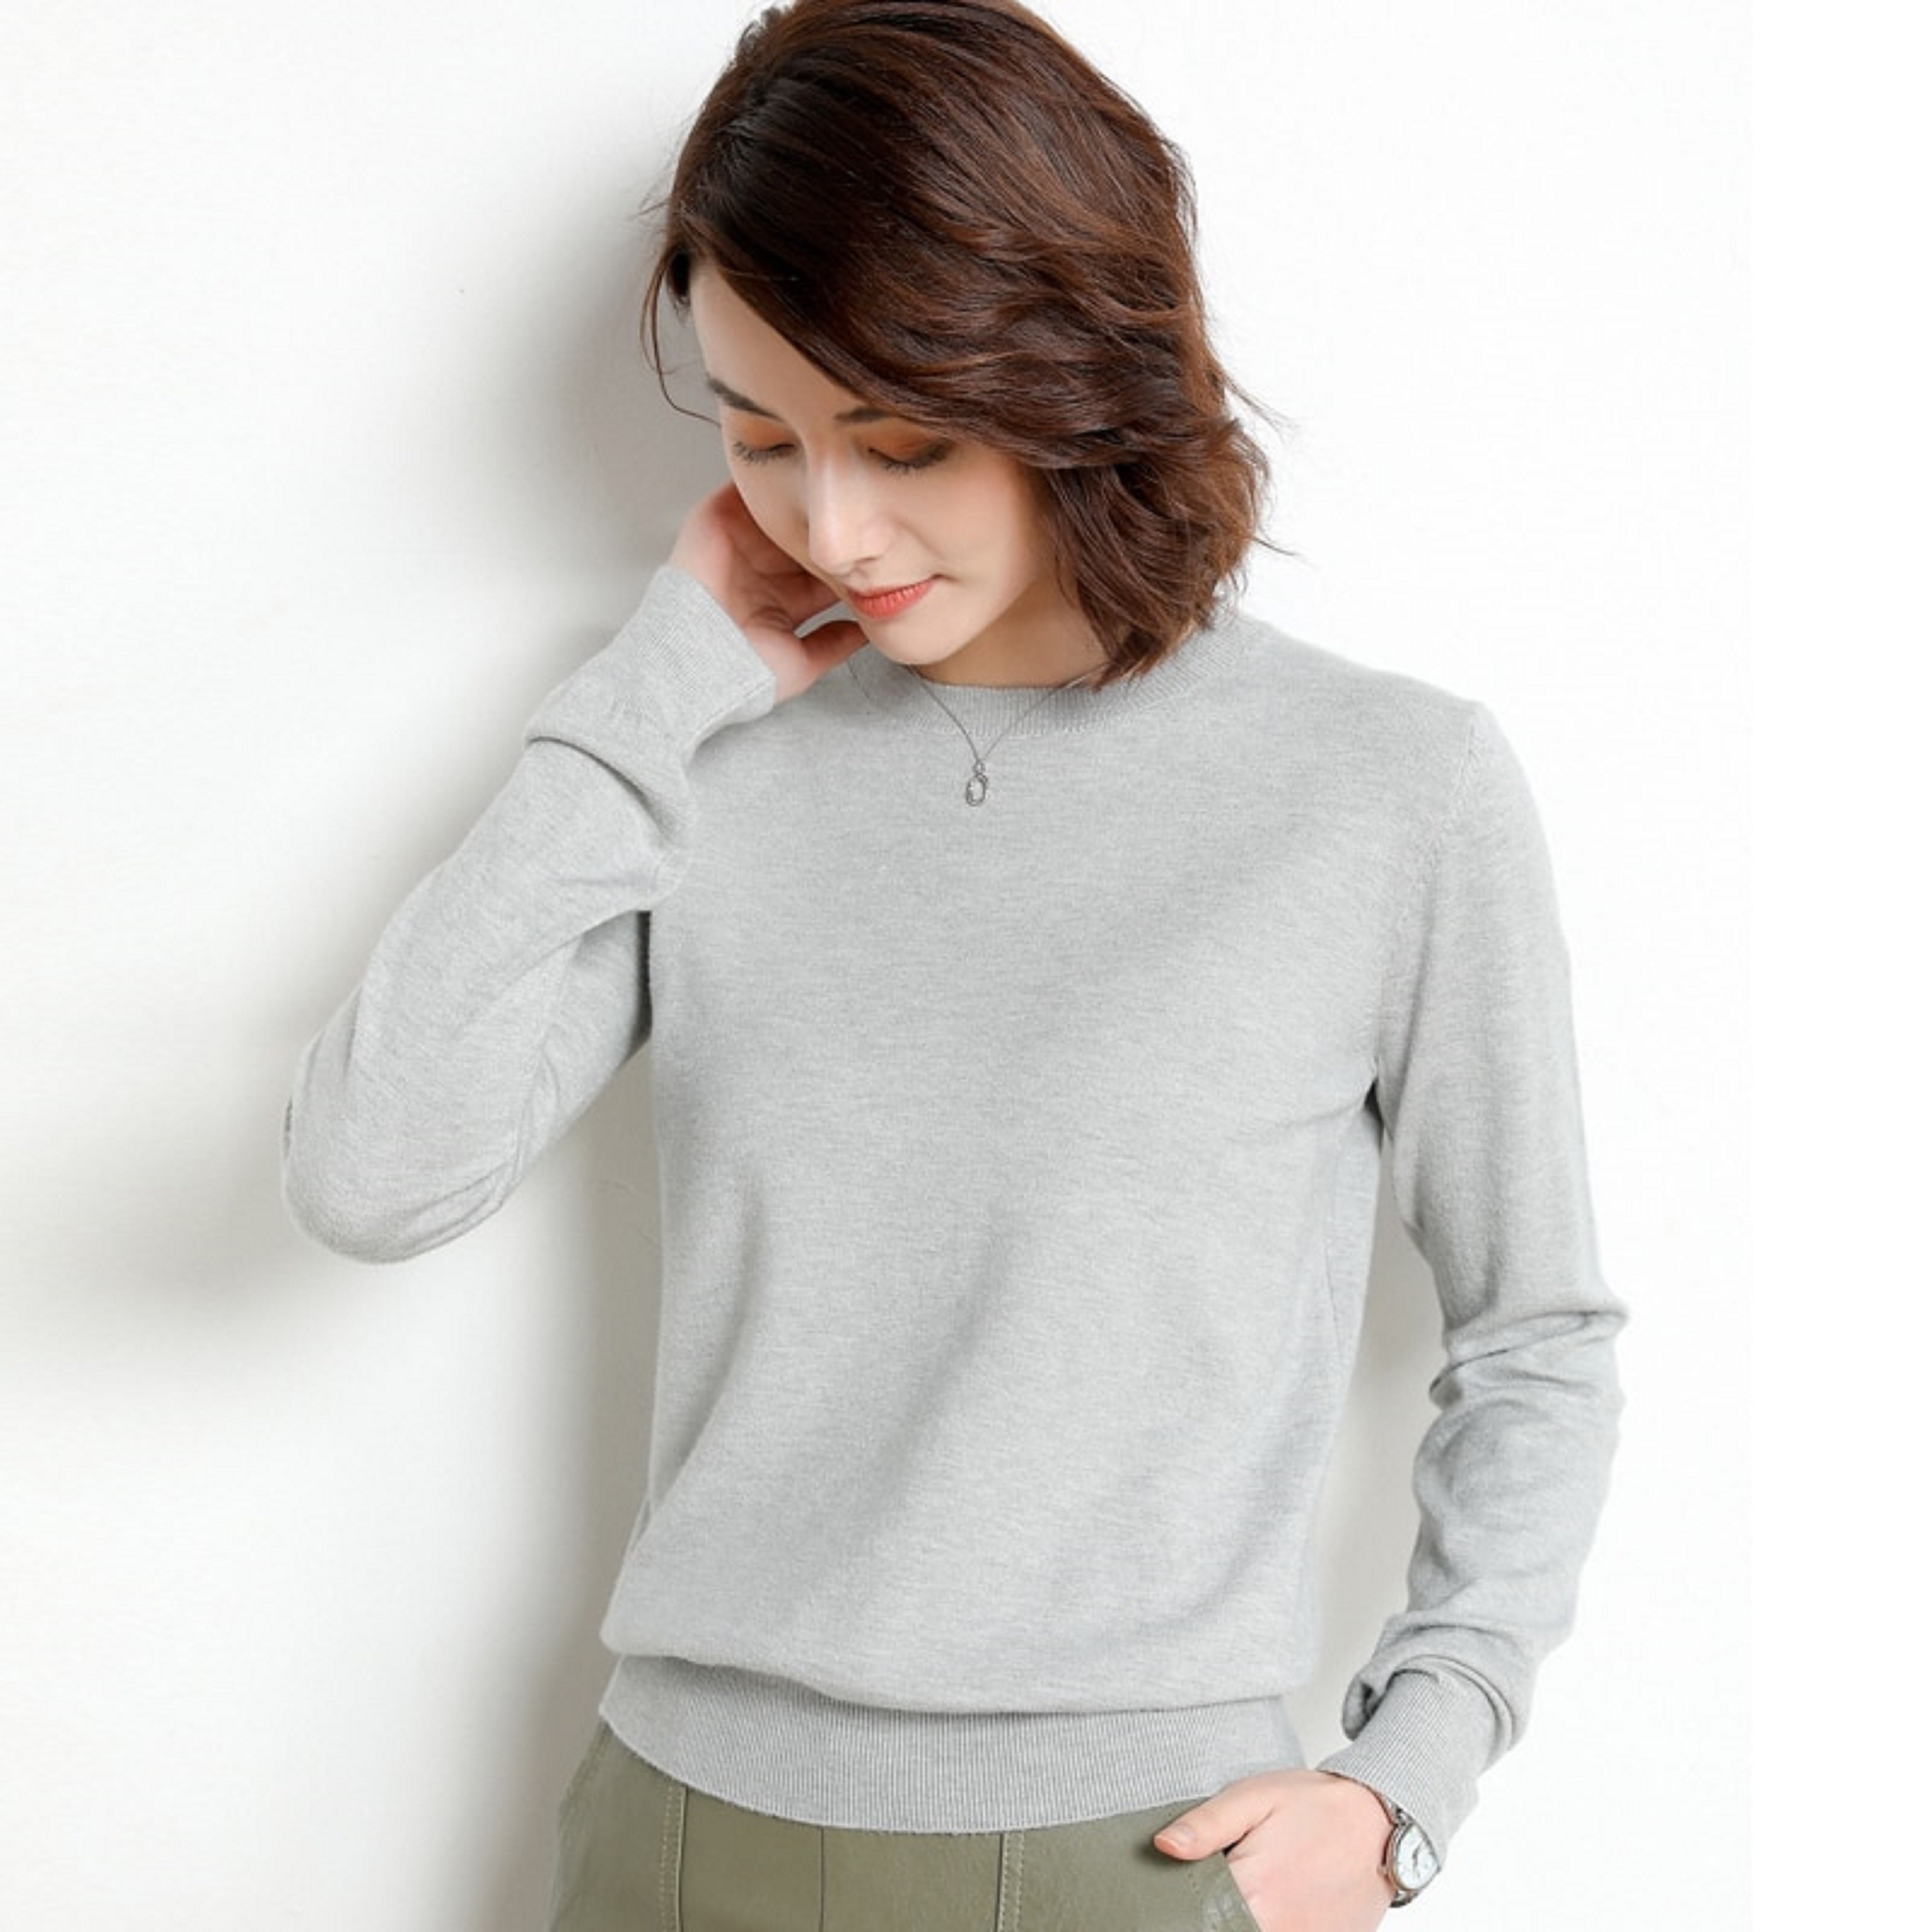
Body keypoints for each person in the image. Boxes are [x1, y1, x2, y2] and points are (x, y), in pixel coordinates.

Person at [282, 2, 1624, 1927]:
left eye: (903, 441)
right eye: (762, 437)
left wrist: (1408, 1778)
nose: (834, 524)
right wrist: (655, 690)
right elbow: (371, 1174)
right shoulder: (697, 757)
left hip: (1140, 1853)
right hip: (680, 1838)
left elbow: (1536, 1335)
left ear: (1081, 374)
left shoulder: (1387, 789)